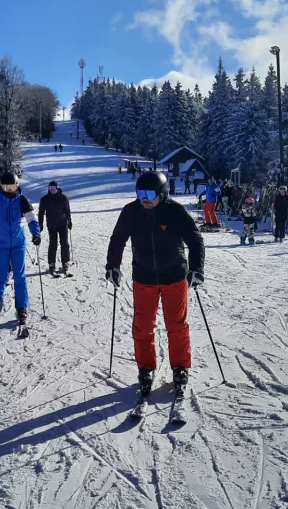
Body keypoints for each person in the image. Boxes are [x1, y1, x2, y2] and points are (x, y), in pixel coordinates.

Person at [105, 171, 204, 402]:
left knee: (177, 325)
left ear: (162, 193)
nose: (144, 198)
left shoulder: (175, 211)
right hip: (144, 276)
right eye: (140, 193)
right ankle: (146, 368)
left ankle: (180, 367)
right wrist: (113, 265)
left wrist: (196, 268)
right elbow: (118, 238)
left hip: (174, 276)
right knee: (142, 326)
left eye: (149, 194)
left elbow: (195, 239)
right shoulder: (131, 211)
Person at [0, 172, 42, 327]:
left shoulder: (22, 200)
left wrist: (36, 233)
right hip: (1, 244)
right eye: (6, 187)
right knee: (0, 277)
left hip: (18, 244)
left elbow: (31, 218)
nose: (9, 190)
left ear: (17, 185)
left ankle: (21, 308)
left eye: (12, 186)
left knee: (20, 276)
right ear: (1, 186)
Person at [38, 180, 72, 276]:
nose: (52, 190)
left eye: (53, 188)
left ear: (57, 188)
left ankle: (65, 262)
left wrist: (69, 221)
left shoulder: (63, 198)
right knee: (53, 243)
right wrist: (40, 224)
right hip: (52, 224)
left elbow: (67, 210)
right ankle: (51, 263)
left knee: (64, 243)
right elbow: (41, 213)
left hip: (62, 223)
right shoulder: (45, 199)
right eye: (50, 188)